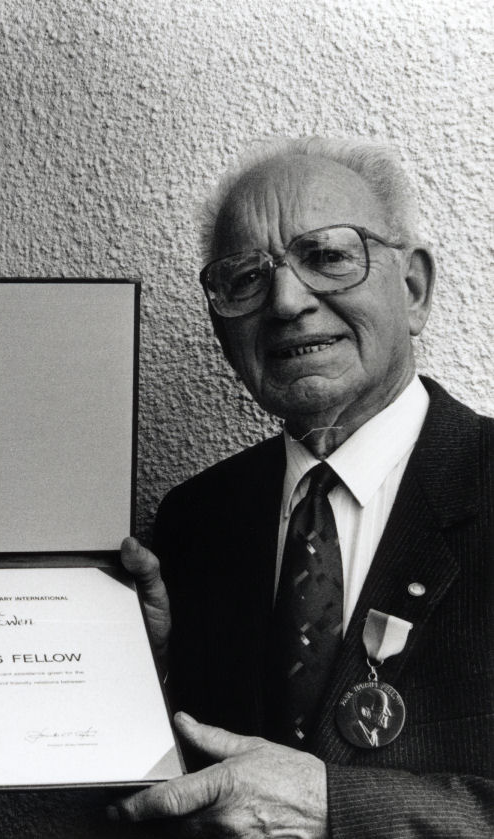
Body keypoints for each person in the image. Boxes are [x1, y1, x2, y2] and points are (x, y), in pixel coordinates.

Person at [112, 137, 493, 837]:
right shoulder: (196, 520)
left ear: (413, 289)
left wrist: (334, 808)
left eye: (327, 256)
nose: (287, 301)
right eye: (244, 279)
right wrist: (147, 674)